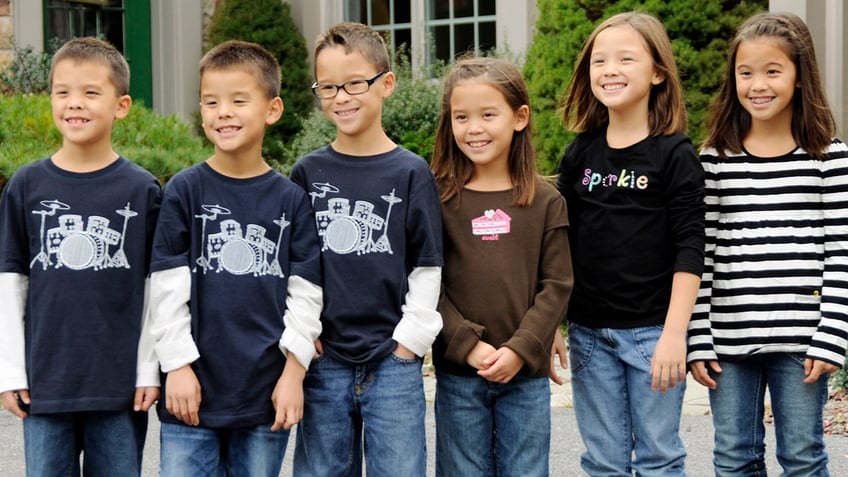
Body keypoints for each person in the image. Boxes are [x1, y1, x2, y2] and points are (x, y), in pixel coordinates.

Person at [147, 40, 323, 476]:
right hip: (191, 393)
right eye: (210, 102)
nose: (222, 112)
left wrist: (293, 376)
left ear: (273, 109)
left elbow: (306, 296)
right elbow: (165, 292)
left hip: (265, 393)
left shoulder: (291, 200)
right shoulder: (185, 192)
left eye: (238, 100)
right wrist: (178, 368)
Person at [687, 12, 848, 476]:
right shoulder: (715, 159)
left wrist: (831, 337)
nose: (758, 84)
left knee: (802, 457)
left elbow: (840, 255)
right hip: (728, 342)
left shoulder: (828, 158)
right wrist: (700, 338)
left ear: (800, 77)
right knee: (734, 458)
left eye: (773, 71)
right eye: (745, 72)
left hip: (803, 341)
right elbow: (704, 253)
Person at [0, 37, 161, 476]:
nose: (75, 104)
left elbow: (154, 291)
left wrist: (149, 369)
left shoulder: (141, 190)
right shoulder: (26, 186)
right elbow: (9, 285)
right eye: (63, 92)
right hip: (45, 385)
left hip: (119, 387)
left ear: (121, 105)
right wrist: (10, 372)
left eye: (91, 92)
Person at [554, 11, 705, 476]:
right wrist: (551, 326)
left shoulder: (674, 154)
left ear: (658, 72)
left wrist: (675, 335)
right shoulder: (580, 151)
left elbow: (690, 249)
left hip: (653, 334)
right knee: (603, 461)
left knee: (659, 457)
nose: (609, 69)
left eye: (625, 58)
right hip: (589, 335)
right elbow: (558, 244)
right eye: (600, 60)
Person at [290, 22, 443, 476]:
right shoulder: (307, 172)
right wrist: (304, 336)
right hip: (324, 361)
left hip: (391, 360)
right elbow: (298, 265)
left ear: (386, 84)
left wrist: (408, 344)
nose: (342, 97)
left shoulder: (411, 173)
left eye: (356, 83)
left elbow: (427, 265)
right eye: (329, 87)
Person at [429, 56, 573, 476]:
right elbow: (425, 282)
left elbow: (558, 284)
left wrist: (521, 348)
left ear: (520, 117)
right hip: (459, 374)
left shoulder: (546, 201)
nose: (474, 128)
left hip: (524, 376)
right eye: (462, 117)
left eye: (488, 114)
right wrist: (466, 345)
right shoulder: (437, 199)